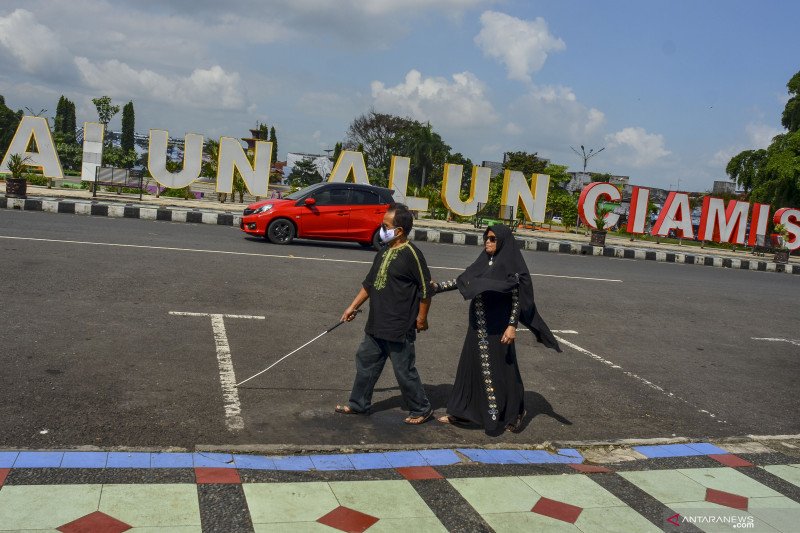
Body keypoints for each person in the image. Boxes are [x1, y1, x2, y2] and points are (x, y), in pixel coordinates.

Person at [432, 224, 561, 436]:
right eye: (486, 238)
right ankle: (461, 412)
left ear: (502, 241)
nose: (488, 242)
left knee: (503, 370)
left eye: (492, 239)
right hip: (478, 325)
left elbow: (517, 297)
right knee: (471, 365)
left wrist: (512, 326)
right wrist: (438, 287)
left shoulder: (510, 264)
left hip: (498, 326)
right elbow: (464, 280)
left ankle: (514, 413)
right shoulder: (484, 260)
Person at [335, 203, 434, 424]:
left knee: (403, 371)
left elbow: (426, 290)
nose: (382, 229)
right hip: (376, 323)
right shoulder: (383, 252)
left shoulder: (412, 254)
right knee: (366, 362)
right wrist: (352, 306)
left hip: (399, 326)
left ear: (399, 230)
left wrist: (421, 318)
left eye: (385, 225)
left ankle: (421, 408)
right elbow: (369, 284)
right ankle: (359, 404)